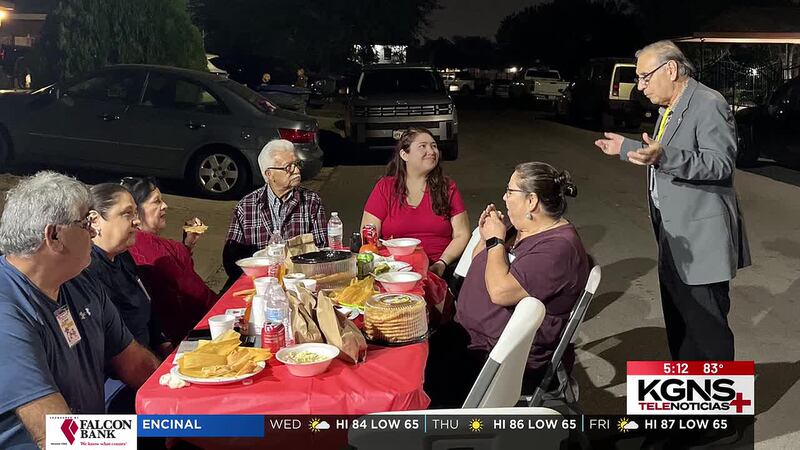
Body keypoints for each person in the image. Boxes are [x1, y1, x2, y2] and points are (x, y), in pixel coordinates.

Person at [594, 40, 751, 361]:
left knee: (707, 332)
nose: (640, 86)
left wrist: (664, 156)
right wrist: (626, 148)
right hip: (672, 234)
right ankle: (686, 387)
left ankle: (718, 394)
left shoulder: (709, 103)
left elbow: (720, 164)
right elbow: (660, 153)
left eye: (645, 77)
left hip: (701, 240)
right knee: (680, 325)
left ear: (671, 69)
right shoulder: (669, 108)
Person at [0, 172, 160, 449]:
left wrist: (186, 406)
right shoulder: (7, 312)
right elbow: (58, 435)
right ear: (54, 236)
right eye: (86, 223)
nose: (94, 231)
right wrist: (164, 427)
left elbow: (136, 364)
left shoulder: (80, 281)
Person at [425, 162, 589, 407]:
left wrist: (495, 240)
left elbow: (500, 292)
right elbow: (481, 263)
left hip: (498, 355)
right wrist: (486, 237)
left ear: (531, 201)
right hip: (467, 335)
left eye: (510, 191)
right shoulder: (523, 228)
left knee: (418, 385)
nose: (504, 197)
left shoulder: (558, 249)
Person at [361, 127, 470, 277]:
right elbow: (368, 235)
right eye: (422, 146)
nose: (431, 151)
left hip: (438, 270)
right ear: (404, 154)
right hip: (394, 271)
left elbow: (462, 234)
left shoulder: (447, 187)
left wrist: (442, 263)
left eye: (433, 146)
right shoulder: (385, 187)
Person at [121, 177, 217, 345]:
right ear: (135, 211)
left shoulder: (145, 244)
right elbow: (191, 292)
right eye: (156, 201)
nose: (165, 206)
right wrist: (224, 310)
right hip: (183, 337)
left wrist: (186, 246)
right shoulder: (146, 247)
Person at [223, 139, 328, 286]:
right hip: (259, 284)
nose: (296, 171)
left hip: (300, 282)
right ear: (269, 174)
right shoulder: (246, 207)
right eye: (288, 167)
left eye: (297, 164)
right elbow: (232, 261)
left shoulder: (311, 202)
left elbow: (323, 250)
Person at [85, 183, 171, 356]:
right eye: (127, 213)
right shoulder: (87, 273)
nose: (137, 221)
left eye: (135, 213)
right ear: (95, 221)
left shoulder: (123, 256)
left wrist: (165, 346)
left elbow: (148, 308)